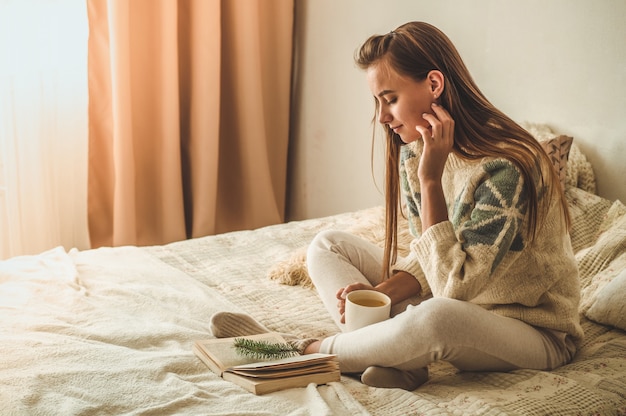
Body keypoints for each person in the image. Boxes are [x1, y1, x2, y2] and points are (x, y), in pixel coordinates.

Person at [210, 21, 583, 391]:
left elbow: (456, 288)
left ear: (434, 85)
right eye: (378, 102)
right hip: (456, 298)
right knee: (328, 245)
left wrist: (431, 180)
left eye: (390, 99)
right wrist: (383, 293)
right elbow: (432, 254)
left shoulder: (509, 167)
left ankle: (302, 351)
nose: (383, 117)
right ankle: (398, 359)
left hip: (532, 330)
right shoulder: (416, 151)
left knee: (437, 317)